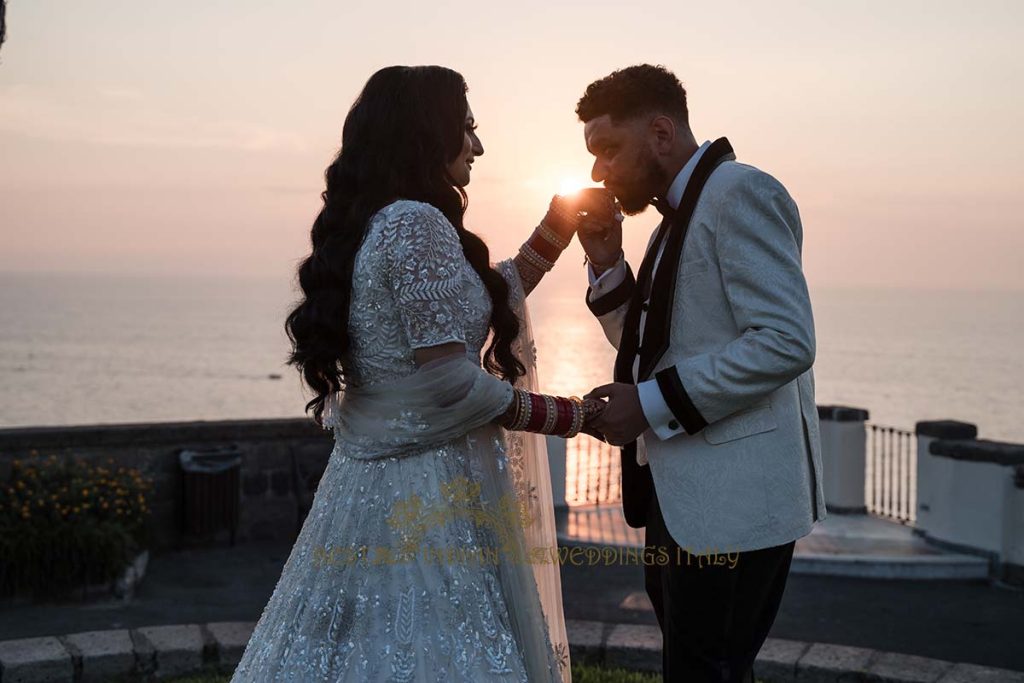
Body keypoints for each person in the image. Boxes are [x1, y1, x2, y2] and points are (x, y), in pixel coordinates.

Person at [230, 65, 614, 682]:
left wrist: (557, 226)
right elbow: (449, 382)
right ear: (427, 134)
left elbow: (472, 303)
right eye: (467, 129)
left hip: (371, 483)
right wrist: (576, 416)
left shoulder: (376, 222)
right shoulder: (416, 223)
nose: (478, 146)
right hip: (426, 494)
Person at [576, 64, 826, 682]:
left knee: (702, 671)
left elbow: (786, 342)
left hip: (736, 506)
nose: (597, 171)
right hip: (685, 497)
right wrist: (609, 265)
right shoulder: (674, 219)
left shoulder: (740, 192)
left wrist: (650, 403)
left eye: (608, 148)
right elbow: (658, 347)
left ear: (661, 133)